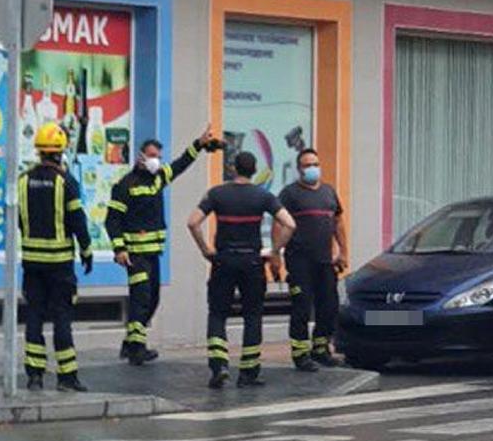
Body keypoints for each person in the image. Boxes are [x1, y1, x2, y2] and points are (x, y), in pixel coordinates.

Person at [186, 152, 296, 389]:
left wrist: (206, 249)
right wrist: (275, 250)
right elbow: (289, 224)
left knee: (217, 313)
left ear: (234, 168)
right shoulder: (263, 196)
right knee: (253, 315)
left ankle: (219, 366)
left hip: (223, 261)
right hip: (252, 262)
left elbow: (193, 221)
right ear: (254, 170)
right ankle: (248, 372)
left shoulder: (217, 193)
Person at [106, 125, 214, 366]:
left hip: (153, 254)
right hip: (135, 255)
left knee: (152, 299)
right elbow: (111, 220)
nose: (156, 161)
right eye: (152, 156)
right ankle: (137, 349)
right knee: (141, 298)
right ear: (141, 157)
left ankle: (130, 342)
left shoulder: (158, 179)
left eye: (158, 157)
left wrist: (198, 143)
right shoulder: (125, 185)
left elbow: (180, 164)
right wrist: (119, 249)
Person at [19, 122, 94, 392]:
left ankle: (35, 375)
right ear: (60, 152)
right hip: (59, 263)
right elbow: (77, 220)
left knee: (34, 316)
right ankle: (66, 377)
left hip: (31, 263)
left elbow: (18, 219)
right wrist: (86, 250)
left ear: (39, 151)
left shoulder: (23, 180)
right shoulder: (66, 182)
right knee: (62, 317)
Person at [276, 148, 347, 371]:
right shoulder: (289, 194)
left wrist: (343, 252)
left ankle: (321, 349)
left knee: (329, 306)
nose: (312, 169)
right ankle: (300, 354)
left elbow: (338, 222)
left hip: (325, 261)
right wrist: (276, 254)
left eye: (315, 164)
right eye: (307, 165)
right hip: (299, 262)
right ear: (299, 169)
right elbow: (279, 224)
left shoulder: (328, 192)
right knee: (302, 307)